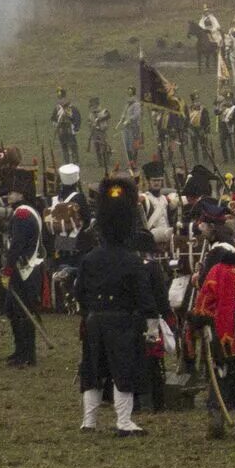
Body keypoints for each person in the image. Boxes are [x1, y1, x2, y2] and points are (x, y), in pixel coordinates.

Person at [77, 174, 159, 436]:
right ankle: (123, 421)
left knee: (93, 369)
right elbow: (144, 295)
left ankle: (88, 421)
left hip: (94, 318)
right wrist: (152, 322)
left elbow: (80, 291)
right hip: (123, 321)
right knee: (123, 370)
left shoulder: (89, 258)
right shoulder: (132, 260)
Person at [190, 211, 235, 439]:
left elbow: (203, 300)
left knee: (220, 374)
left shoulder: (214, 268)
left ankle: (217, 419)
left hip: (218, 331)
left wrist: (199, 322)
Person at [0, 165, 46, 366]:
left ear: (20, 194)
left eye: (12, 192)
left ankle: (28, 354)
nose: (8, 196)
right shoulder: (24, 212)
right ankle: (19, 351)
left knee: (24, 313)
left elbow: (17, 246)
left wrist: (7, 271)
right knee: (13, 310)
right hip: (24, 269)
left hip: (25, 270)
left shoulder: (22, 215)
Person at [120, 88, 144, 165]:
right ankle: (130, 160)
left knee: (133, 144)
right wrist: (122, 118)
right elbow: (124, 113)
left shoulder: (136, 104)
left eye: (130, 92)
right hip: (126, 127)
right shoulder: (128, 103)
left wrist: (129, 119)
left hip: (134, 127)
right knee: (126, 144)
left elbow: (137, 115)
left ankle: (134, 160)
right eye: (128, 92)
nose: (129, 93)